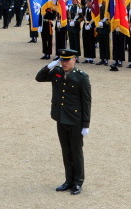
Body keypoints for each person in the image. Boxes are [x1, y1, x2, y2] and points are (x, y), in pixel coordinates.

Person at [35, 48, 91, 196]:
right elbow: (39, 78)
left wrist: (86, 125)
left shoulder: (82, 77)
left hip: (75, 120)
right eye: (62, 60)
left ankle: (78, 182)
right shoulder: (56, 72)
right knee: (66, 151)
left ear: (75, 60)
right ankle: (68, 181)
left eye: (67, 60)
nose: (64, 63)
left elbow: (86, 102)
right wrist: (50, 65)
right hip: (60, 117)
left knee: (76, 152)